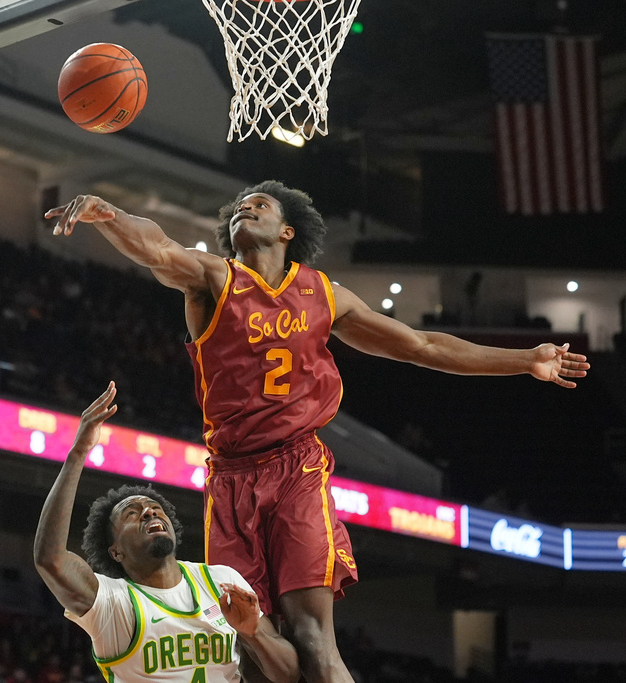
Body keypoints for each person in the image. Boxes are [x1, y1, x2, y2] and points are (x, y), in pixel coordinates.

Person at [46, 183, 590, 683]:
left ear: (288, 231)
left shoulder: (324, 296)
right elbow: (157, 249)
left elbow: (422, 346)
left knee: (312, 638)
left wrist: (523, 360)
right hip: (230, 480)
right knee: (254, 643)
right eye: (239, 206)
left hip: (296, 469)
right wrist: (107, 213)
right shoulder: (215, 278)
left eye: (259, 204)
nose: (245, 207)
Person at [34, 383, 300, 683]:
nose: (149, 511)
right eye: (132, 514)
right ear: (116, 551)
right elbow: (50, 559)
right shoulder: (114, 603)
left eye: (155, 508)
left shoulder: (220, 581)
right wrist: (77, 454)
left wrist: (253, 634)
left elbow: (288, 674)